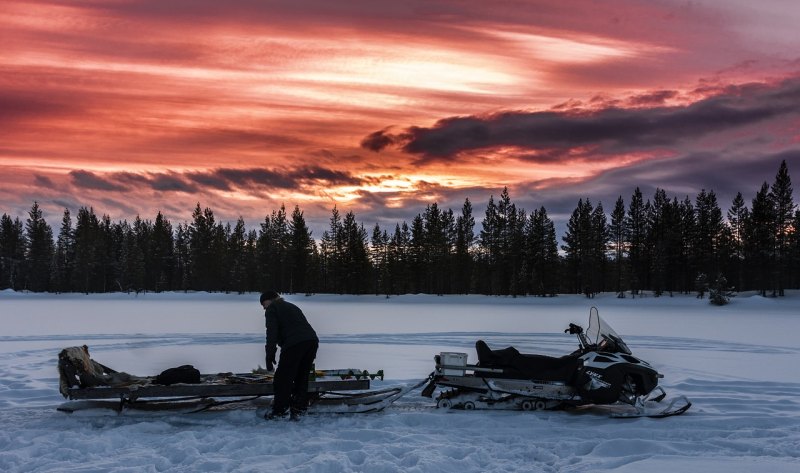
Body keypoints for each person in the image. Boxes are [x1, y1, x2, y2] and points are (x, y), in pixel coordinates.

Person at [260, 291, 319, 420]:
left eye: (263, 304)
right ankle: (299, 408)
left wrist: (269, 355)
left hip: (295, 344)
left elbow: (272, 332)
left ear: (270, 300)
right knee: (301, 376)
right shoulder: (291, 306)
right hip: (312, 342)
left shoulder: (272, 309)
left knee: (282, 378)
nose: (263, 307)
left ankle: (280, 411)